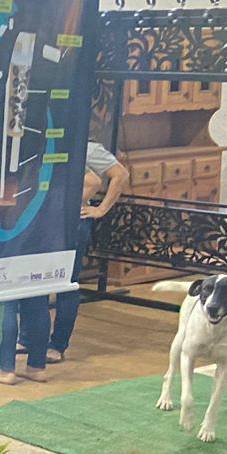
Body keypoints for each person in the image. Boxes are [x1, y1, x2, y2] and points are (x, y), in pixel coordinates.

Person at [49, 139, 129, 363]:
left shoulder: (87, 147)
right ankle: (29, 338)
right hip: (46, 220)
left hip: (73, 221)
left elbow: (119, 175)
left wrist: (100, 209)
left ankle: (58, 343)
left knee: (67, 282)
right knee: (36, 280)